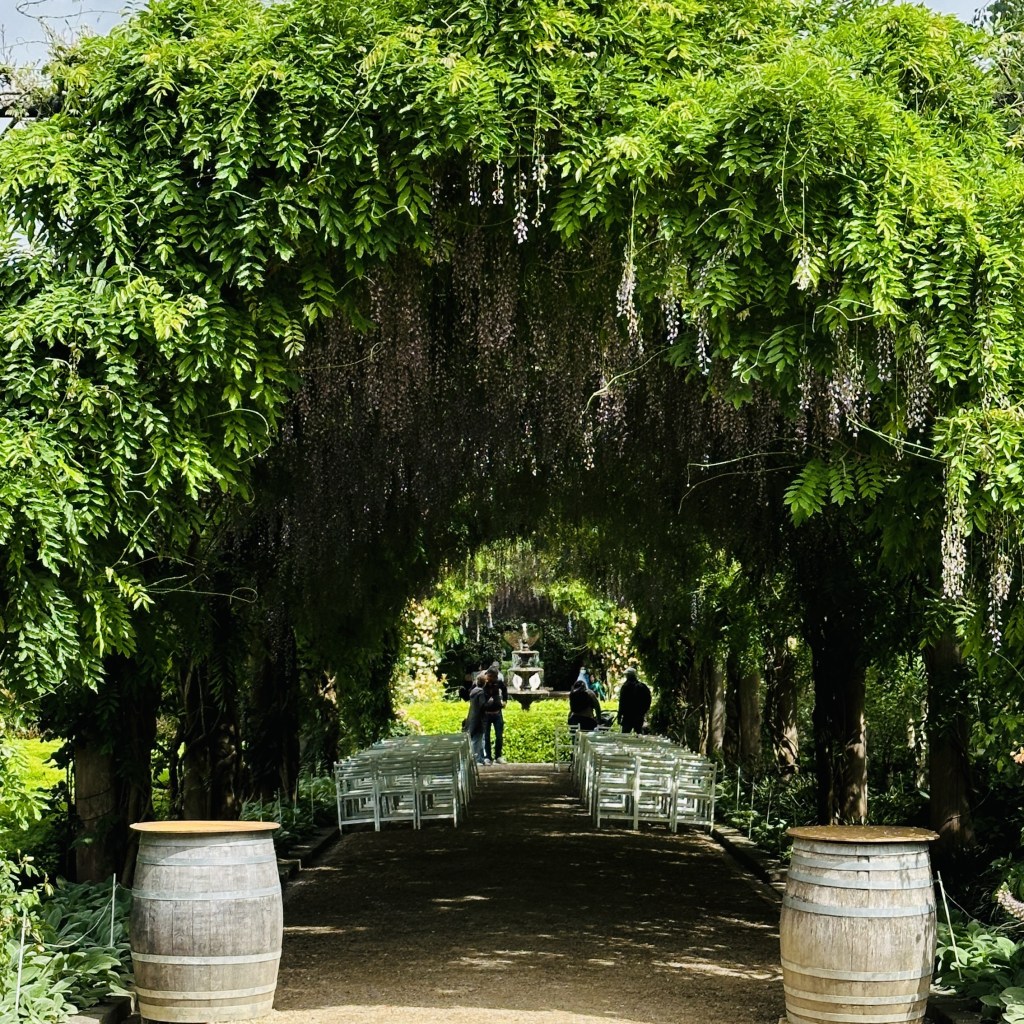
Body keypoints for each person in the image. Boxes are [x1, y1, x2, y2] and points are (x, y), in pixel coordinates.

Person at [482, 669, 508, 764]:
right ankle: (488, 756)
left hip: (497, 713)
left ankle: (498, 756)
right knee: (486, 736)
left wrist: (505, 700)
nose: (493, 679)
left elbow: (504, 689)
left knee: (499, 736)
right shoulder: (483, 683)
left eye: (495, 677)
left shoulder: (498, 682)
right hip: (486, 714)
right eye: (492, 676)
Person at [617, 666, 652, 734]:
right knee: (638, 735)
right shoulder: (642, 687)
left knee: (625, 736)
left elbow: (622, 703)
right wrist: (643, 712)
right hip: (639, 716)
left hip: (627, 716)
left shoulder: (625, 687)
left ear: (627, 676)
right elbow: (648, 700)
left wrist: (619, 716)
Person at [465, 674, 488, 764]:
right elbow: (483, 706)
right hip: (479, 719)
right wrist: (490, 703)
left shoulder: (473, 692)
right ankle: (476, 758)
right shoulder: (481, 693)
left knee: (477, 739)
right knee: (478, 740)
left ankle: (479, 758)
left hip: (472, 718)